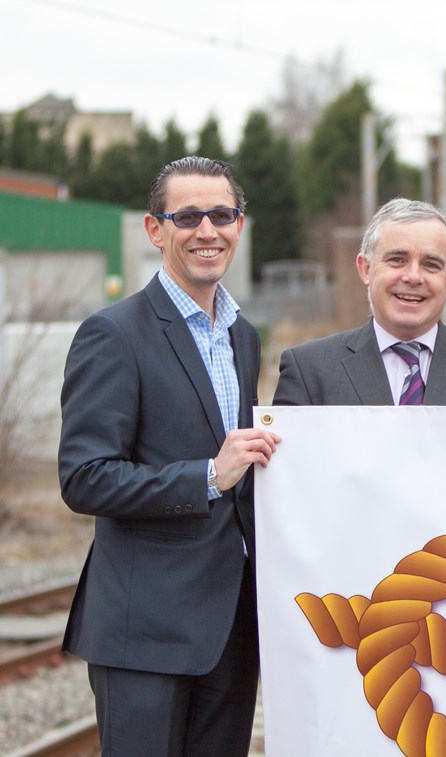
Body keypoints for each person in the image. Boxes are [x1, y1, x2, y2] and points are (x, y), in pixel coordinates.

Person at [58, 156, 281, 755]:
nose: (206, 230)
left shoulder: (243, 335)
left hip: (232, 629)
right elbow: (84, 478)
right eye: (187, 216)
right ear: (156, 230)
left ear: (239, 224)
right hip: (145, 633)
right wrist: (208, 475)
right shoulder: (113, 334)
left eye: (222, 214)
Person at [273, 198, 446, 407]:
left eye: (431, 264)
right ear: (365, 268)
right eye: (397, 260)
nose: (413, 277)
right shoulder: (309, 371)